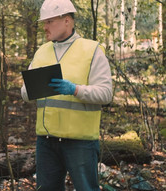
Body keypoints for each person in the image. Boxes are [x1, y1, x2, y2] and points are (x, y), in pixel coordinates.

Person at [21, 0, 113, 190]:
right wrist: (32, 89)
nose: (45, 27)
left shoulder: (92, 50)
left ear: (67, 21)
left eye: (50, 21)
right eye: (44, 22)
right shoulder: (41, 52)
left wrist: (76, 90)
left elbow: (106, 94)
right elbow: (24, 93)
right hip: (46, 141)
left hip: (80, 143)